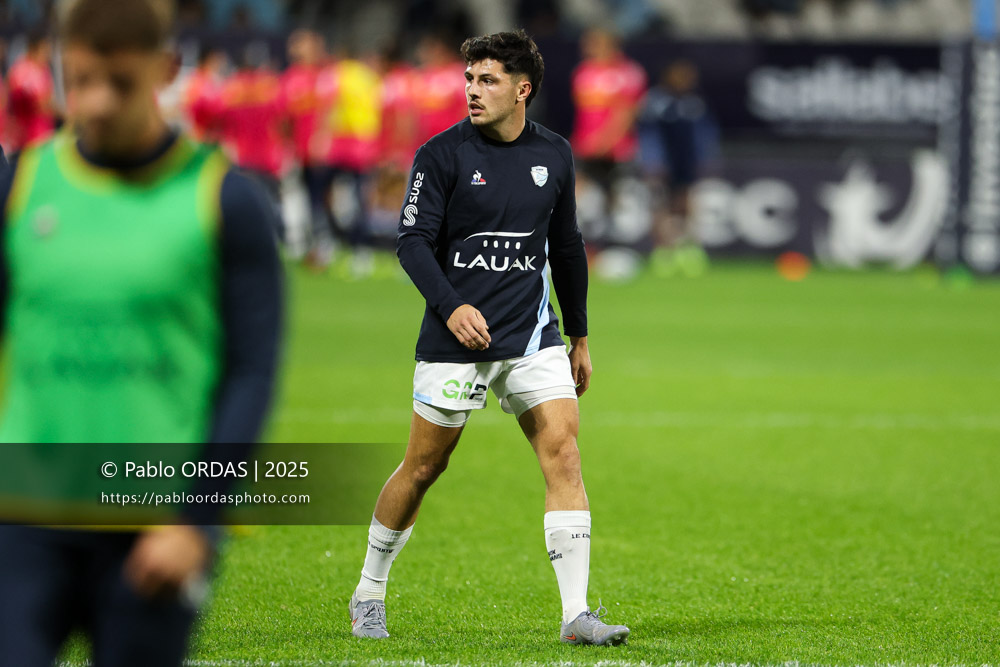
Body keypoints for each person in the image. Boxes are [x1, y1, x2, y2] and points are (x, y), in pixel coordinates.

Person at [0, 1, 282, 665]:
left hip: (152, 523)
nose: (96, 104)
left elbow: (249, 373)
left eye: (120, 84)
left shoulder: (225, 201)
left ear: (164, 70)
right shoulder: (20, 186)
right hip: (24, 513)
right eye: (81, 81)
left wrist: (198, 522)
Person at [347, 29, 630, 647]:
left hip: (533, 335)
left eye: (488, 80)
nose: (473, 91)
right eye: (470, 79)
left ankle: (576, 615)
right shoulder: (441, 155)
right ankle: (369, 588)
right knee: (424, 466)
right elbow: (412, 242)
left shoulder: (554, 153)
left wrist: (578, 333)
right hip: (457, 340)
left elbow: (568, 246)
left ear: (522, 89)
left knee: (565, 454)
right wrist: (450, 308)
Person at [4, 29, 56, 152]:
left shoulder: (44, 69)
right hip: (27, 138)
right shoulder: (21, 70)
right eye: (45, 48)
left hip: (44, 133)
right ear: (34, 48)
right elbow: (39, 103)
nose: (48, 53)